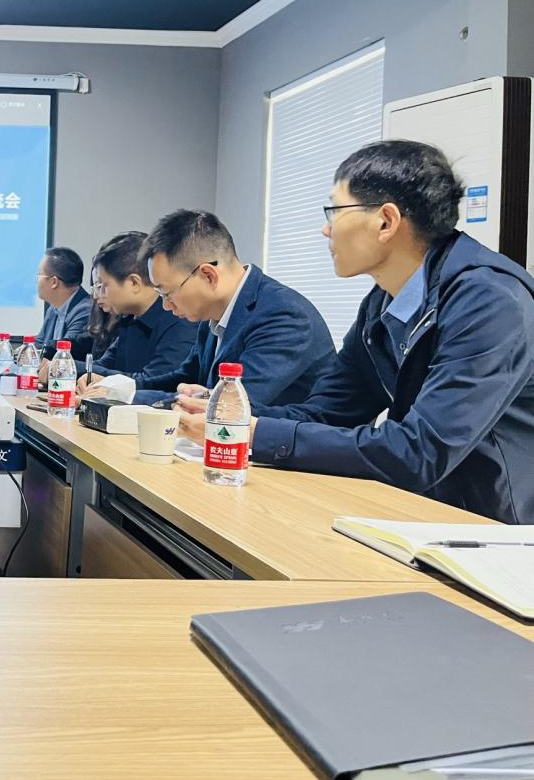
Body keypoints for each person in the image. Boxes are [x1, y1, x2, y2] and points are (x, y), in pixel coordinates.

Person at [179, 141, 534, 525]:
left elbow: (420, 452)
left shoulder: (490, 300)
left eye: (334, 211)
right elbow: (328, 412)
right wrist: (232, 416)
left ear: (386, 221)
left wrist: (255, 433)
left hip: (500, 529)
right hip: (429, 515)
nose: (325, 229)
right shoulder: (383, 302)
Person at [133, 210, 334, 408]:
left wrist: (140, 398)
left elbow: (233, 405)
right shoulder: (213, 313)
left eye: (167, 293)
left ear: (208, 276)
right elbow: (186, 379)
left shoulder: (284, 316)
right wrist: (126, 391)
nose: (166, 305)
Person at [75, 231, 195, 391]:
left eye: (104, 285)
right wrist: (68, 367)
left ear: (134, 283)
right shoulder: (131, 319)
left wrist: (102, 379)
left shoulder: (178, 319)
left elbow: (155, 382)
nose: (97, 295)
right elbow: (104, 365)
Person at [34, 246, 94, 360]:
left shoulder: (85, 311)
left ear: (54, 282)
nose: (36, 281)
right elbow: (38, 345)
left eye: (39, 275)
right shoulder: (53, 308)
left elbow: (64, 353)